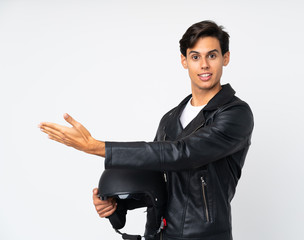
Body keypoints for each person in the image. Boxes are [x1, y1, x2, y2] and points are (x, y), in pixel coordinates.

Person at [39, 20, 254, 240]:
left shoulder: (235, 114)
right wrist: (116, 204)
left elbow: (183, 153)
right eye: (195, 57)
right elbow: (157, 181)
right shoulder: (170, 119)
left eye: (212, 55)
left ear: (225, 58)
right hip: (158, 234)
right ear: (184, 61)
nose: (204, 65)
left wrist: (97, 147)